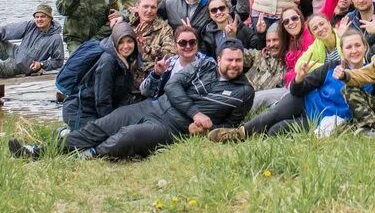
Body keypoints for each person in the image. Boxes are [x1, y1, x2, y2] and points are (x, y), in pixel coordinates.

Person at [13, 41, 253, 160]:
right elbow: (172, 86)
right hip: (153, 106)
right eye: (229, 60)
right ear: (219, 58)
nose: (233, 65)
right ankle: (37, 152)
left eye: (238, 61)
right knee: (102, 126)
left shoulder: (244, 92)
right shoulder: (204, 65)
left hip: (170, 127)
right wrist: (195, 113)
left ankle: (88, 155)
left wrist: (201, 131)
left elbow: (230, 127)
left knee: (126, 136)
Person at [213, 28, 375, 141]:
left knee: (275, 131)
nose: (354, 50)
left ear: (364, 47)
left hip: (320, 119)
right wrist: (299, 79)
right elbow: (297, 91)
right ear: (343, 50)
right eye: (349, 47)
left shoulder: (372, 77)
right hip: (305, 101)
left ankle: (258, 133)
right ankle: (240, 133)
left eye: (357, 46)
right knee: (273, 114)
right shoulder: (331, 67)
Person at [66, 22, 140, 130]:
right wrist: (109, 125)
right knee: (97, 140)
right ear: (115, 43)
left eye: (129, 41)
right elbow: (102, 100)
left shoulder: (127, 60)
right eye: (121, 42)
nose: (126, 46)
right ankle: (63, 133)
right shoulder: (108, 61)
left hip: (98, 110)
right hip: (81, 111)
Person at [139, 24, 209, 99]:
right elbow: (145, 92)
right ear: (175, 46)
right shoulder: (168, 64)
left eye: (192, 42)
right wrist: (156, 74)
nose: (188, 46)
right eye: (182, 43)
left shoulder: (208, 64)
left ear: (197, 44)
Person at [129, 0, 175, 84]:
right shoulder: (128, 26)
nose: (149, 11)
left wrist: (148, 50)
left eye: (153, 7)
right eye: (145, 6)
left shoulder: (164, 29)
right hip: (129, 78)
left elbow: (169, 57)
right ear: (137, 8)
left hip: (153, 79)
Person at [241, 23, 288, 110]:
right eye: (268, 41)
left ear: (284, 40)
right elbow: (237, 54)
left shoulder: (290, 63)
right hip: (242, 96)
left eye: (275, 40)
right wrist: (230, 38)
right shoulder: (260, 55)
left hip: (266, 108)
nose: (271, 44)